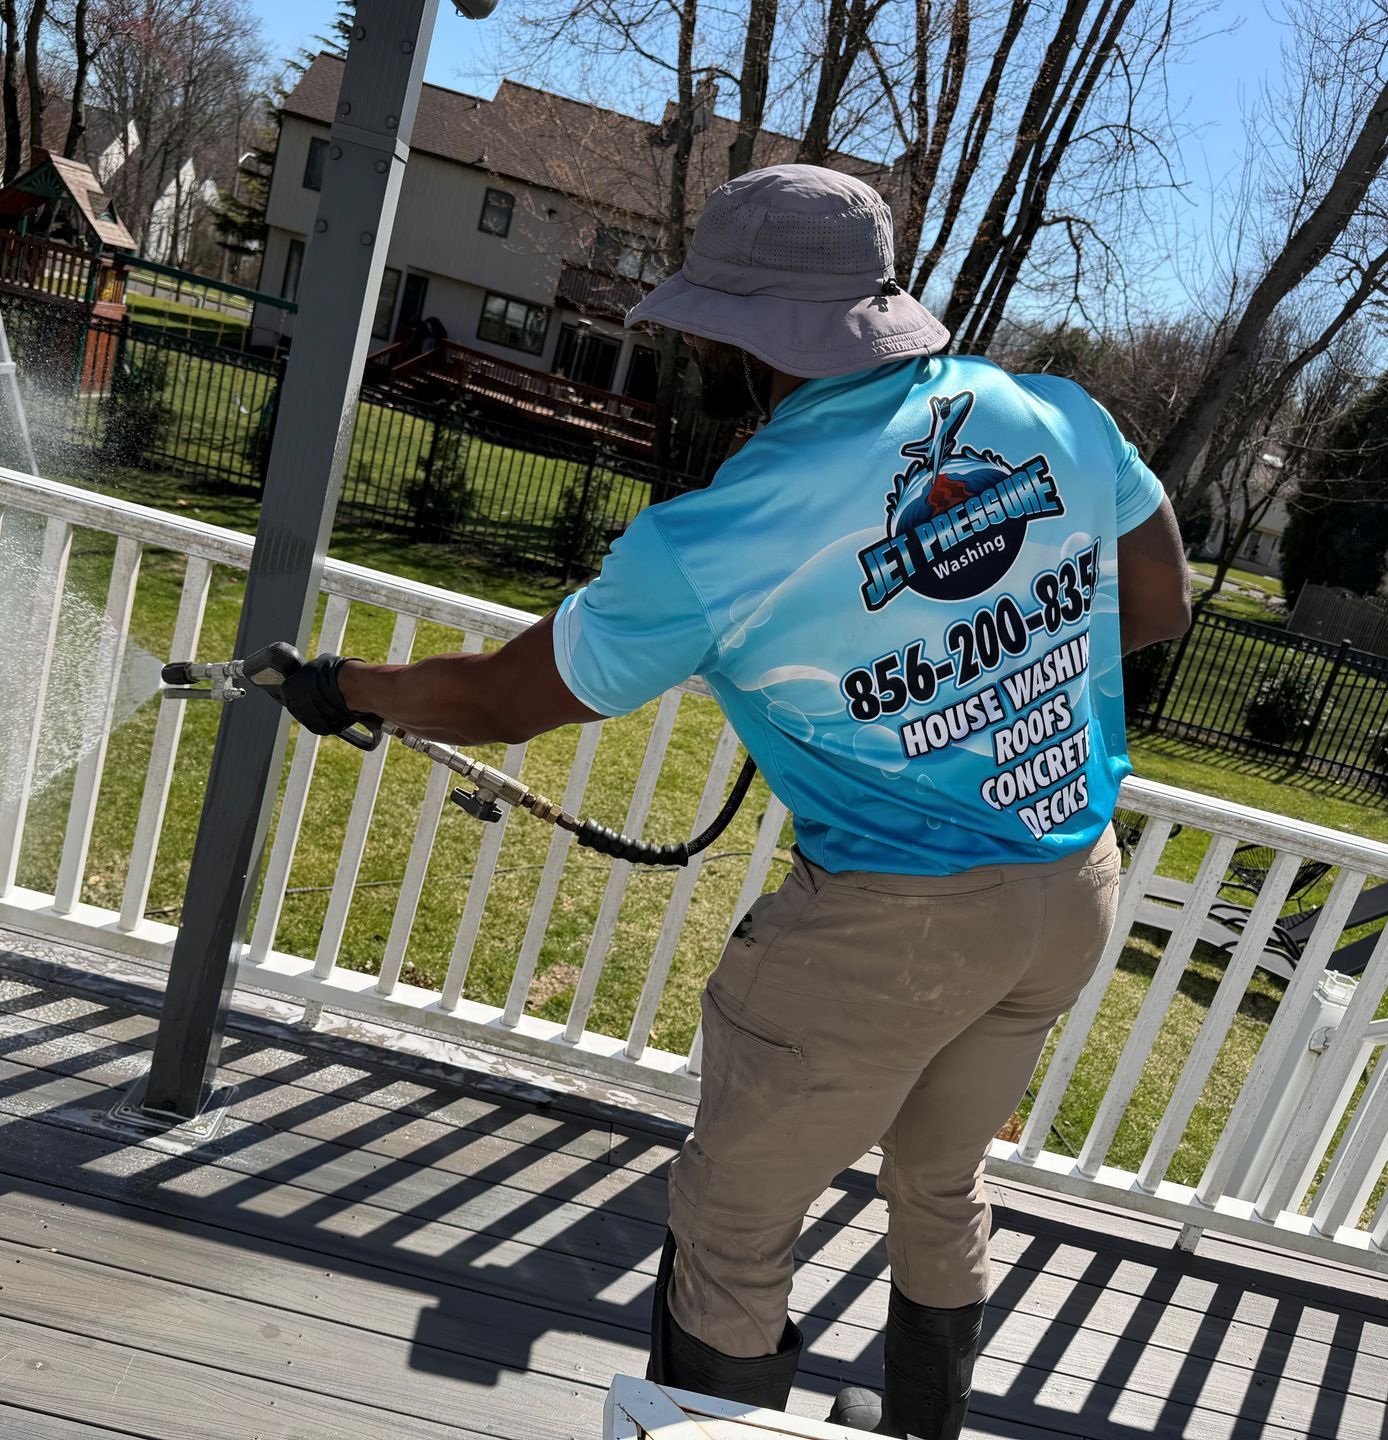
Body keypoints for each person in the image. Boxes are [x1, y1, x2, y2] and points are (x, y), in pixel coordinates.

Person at [275, 163, 1191, 1438]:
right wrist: (995, 688)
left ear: (739, 336)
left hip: (896, 928)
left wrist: (344, 683)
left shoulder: (714, 541)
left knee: (734, 1226)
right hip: (1070, 887)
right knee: (941, 1178)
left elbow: (497, 701)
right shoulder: (1059, 417)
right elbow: (1158, 607)